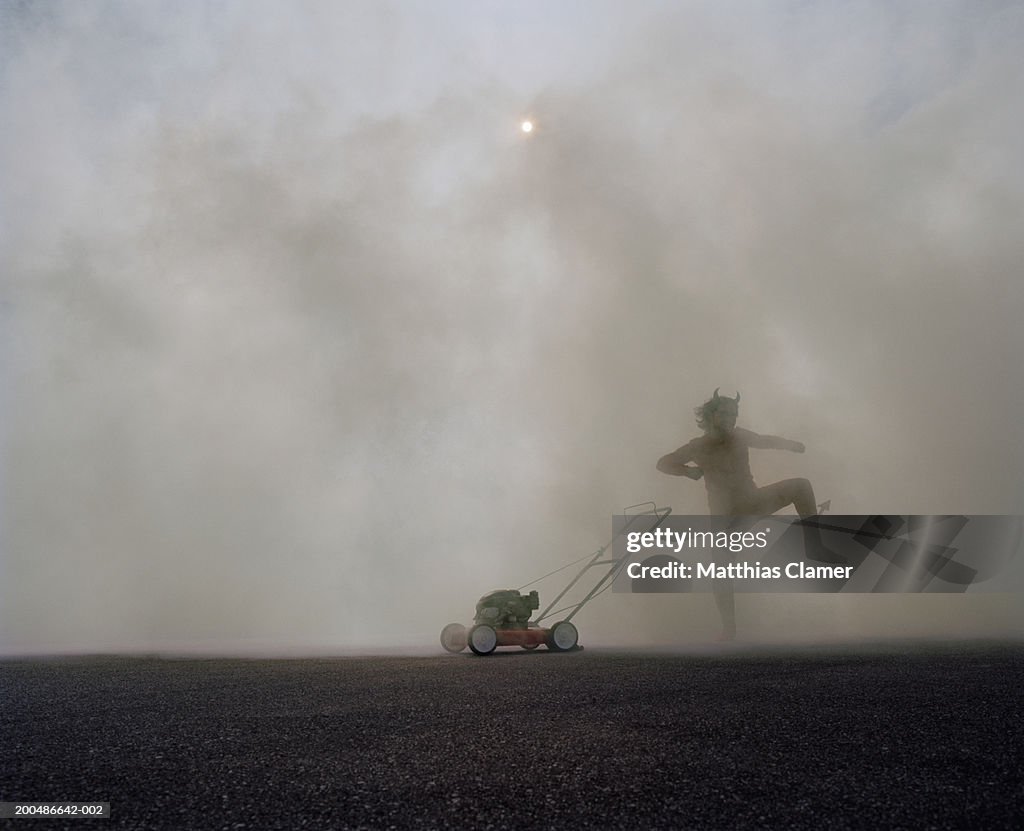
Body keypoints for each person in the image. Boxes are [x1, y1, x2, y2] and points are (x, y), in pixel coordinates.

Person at [656, 389, 843, 640]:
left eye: (735, 414)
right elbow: (663, 463)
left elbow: (764, 440)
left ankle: (814, 545)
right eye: (726, 414)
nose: (732, 419)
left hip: (752, 501)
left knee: (801, 485)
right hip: (726, 516)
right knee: (721, 569)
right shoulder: (698, 446)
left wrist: (791, 445)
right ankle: (729, 630)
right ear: (712, 416)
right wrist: (686, 471)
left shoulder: (739, 436)